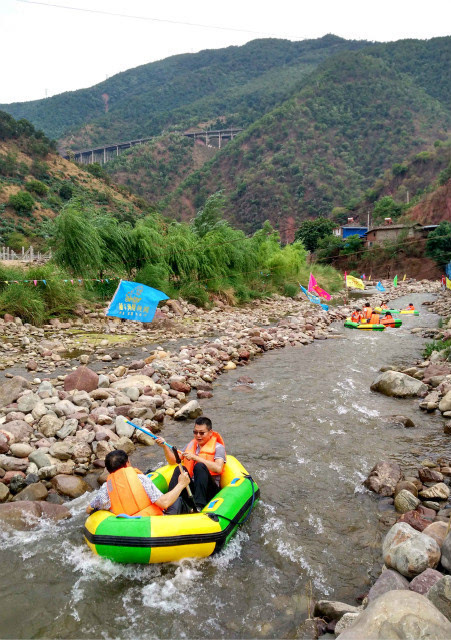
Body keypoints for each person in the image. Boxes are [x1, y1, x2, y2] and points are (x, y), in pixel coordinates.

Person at [86, 449, 191, 516]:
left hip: (127, 526)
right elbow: (164, 503)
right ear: (127, 463)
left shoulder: (105, 488)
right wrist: (181, 484)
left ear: (109, 471)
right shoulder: (141, 479)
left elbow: (89, 509)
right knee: (178, 500)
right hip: (152, 525)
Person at [156, 416, 226, 511]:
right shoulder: (191, 445)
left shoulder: (218, 447)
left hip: (210, 491)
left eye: (201, 433)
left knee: (199, 466)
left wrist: (196, 458)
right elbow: (173, 461)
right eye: (195, 432)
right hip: (193, 490)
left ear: (210, 433)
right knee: (180, 470)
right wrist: (164, 446)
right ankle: (170, 504)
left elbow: (218, 468)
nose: (198, 435)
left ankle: (199, 507)